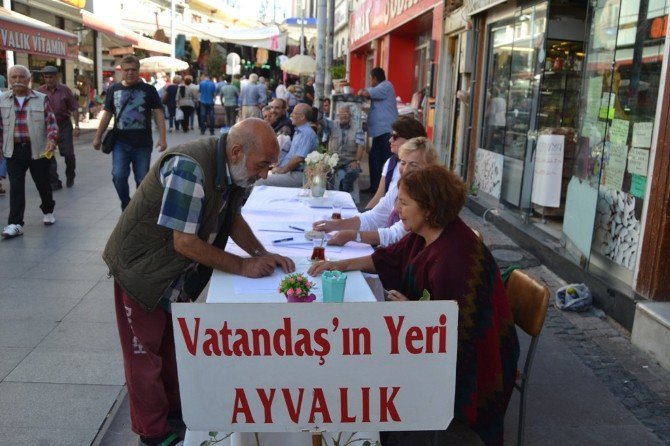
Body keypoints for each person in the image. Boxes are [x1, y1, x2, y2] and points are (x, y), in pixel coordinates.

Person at [103, 118, 295, 446]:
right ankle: (153, 434)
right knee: (144, 357)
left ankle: (176, 416)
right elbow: (185, 243)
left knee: (171, 347)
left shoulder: (232, 169)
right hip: (141, 271)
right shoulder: (189, 169)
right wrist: (244, 265)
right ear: (237, 151)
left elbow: (230, 218)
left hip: (169, 272)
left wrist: (262, 253)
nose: (264, 174)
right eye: (262, 165)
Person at [309, 165, 519, 446]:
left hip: (478, 361)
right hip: (444, 344)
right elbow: (387, 258)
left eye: (404, 203)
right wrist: (339, 264)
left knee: (368, 361)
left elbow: (454, 332)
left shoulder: (454, 258)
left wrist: (414, 311)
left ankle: (382, 429)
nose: (397, 209)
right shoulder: (427, 235)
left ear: (430, 209)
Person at [314, 136, 438, 247]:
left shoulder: (426, 197)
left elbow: (396, 235)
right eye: (403, 163)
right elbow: (373, 218)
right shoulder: (399, 188)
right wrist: (334, 225)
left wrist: (353, 236)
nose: (405, 169)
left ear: (429, 167)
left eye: (414, 165)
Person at [92, 54, 167, 211]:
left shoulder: (148, 90)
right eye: (127, 70)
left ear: (138, 70)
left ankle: (138, 208)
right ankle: (126, 205)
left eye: (133, 69)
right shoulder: (114, 89)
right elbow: (107, 114)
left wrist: (163, 137)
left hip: (142, 143)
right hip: (120, 142)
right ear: (121, 71)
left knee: (142, 178)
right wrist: (98, 137)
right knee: (118, 176)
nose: (130, 73)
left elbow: (158, 112)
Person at [0, 64, 59, 238]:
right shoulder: (3, 100)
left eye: (21, 77)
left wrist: (51, 139)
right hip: (14, 150)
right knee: (16, 187)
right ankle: (15, 223)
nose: (17, 80)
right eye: (14, 77)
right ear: (9, 80)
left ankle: (48, 210)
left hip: (38, 149)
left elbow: (51, 123)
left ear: (28, 80)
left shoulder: (41, 99)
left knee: (43, 184)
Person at [366, 116, 426, 209]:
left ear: (411, 140)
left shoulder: (423, 166)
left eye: (395, 136)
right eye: (403, 163)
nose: (390, 140)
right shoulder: (391, 162)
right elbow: (379, 197)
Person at [37, 65, 80, 189]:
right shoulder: (40, 91)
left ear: (57, 77)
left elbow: (74, 108)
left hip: (64, 124)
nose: (48, 80)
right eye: (46, 77)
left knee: (68, 154)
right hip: (47, 125)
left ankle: (70, 174)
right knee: (48, 153)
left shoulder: (65, 90)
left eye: (51, 77)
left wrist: (77, 126)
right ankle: (55, 181)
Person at [255, 103, 316, 188]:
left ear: (302, 117)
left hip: (299, 174)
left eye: (294, 113)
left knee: (258, 182)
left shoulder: (306, 133)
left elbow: (298, 159)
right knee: (256, 177)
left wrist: (282, 170)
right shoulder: (300, 131)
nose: (291, 115)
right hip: (290, 171)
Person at [358, 67, 398, 192]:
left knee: (386, 161)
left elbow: (364, 93)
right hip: (379, 132)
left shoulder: (385, 86)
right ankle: (375, 187)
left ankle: (385, 190)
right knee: (374, 159)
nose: (370, 81)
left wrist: (361, 92)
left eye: (371, 78)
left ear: (375, 78)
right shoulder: (381, 90)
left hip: (386, 131)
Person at [327, 106, 364, 193]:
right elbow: (321, 121)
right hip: (333, 160)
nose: (344, 116)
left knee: (354, 171)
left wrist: (357, 161)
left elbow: (360, 146)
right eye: (342, 114)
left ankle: (344, 188)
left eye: (346, 113)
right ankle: (329, 192)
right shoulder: (332, 126)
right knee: (322, 171)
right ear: (338, 115)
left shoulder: (358, 129)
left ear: (350, 115)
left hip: (349, 161)